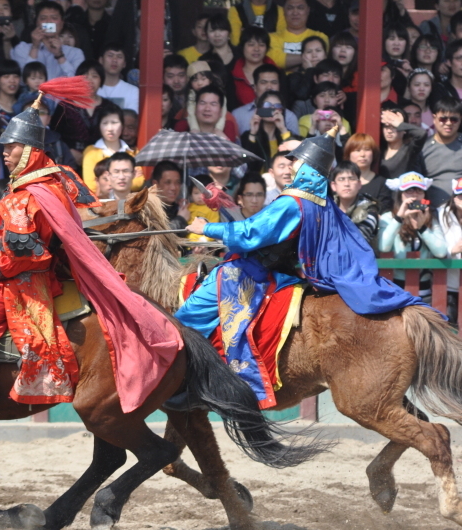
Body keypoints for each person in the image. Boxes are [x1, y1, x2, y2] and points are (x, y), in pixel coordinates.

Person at [0, 78, 182, 430]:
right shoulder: (57, 177)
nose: (4, 154)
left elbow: (23, 255)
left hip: (24, 281)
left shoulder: (29, 195)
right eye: (4, 147)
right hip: (37, 270)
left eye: (11, 147)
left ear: (30, 150)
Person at [174, 129, 433, 409]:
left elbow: (250, 233)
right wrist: (223, 203)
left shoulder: (292, 201)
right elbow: (258, 227)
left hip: (248, 273)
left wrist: (206, 227)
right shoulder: (319, 201)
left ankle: (186, 387)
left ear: (306, 165)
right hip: (277, 273)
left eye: (294, 161)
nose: (290, 165)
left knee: (183, 320)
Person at [379, 172, 447, 303]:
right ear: (400, 195)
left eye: (419, 191)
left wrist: (422, 228)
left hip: (424, 288)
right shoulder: (389, 218)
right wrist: (399, 218)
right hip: (396, 286)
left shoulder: (430, 220)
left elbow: (441, 251)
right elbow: (384, 247)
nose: (415, 195)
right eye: (409, 191)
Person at [10, 1, 85, 80]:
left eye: (54, 18)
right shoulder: (22, 49)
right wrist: (35, 48)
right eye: (43, 18)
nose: (49, 21)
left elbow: (77, 83)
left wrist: (59, 55)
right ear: (36, 23)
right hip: (36, 93)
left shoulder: (75, 53)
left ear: (62, 24)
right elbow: (22, 81)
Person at [81, 102, 130, 194]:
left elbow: (138, 183)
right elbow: (90, 185)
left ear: (122, 125)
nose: (110, 128)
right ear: (99, 126)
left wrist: (105, 181)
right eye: (105, 123)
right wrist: (125, 181)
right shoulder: (91, 152)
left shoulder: (131, 153)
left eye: (114, 122)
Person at [330, 160, 380, 250]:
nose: (346, 184)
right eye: (341, 179)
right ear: (333, 186)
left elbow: (357, 240)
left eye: (352, 179)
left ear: (359, 184)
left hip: (361, 260)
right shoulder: (326, 207)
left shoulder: (369, 209)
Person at [265, 0, 327, 72]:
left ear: (308, 10)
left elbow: (320, 63)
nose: (295, 12)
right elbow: (276, 61)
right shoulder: (271, 38)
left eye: (300, 8)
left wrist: (287, 67)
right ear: (284, 11)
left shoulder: (320, 37)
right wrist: (310, 59)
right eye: (290, 8)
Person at [433, 176, 462, 322]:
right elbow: (435, 248)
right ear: (454, 197)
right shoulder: (440, 214)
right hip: (447, 284)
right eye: (461, 196)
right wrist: (454, 249)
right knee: (450, 331)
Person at [343, 133, 392, 213]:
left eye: (367, 149)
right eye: (357, 150)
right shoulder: (339, 181)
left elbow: (384, 212)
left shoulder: (381, 183)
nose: (362, 154)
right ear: (349, 154)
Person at [97, 43, 138, 112]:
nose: (114, 60)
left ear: (124, 64)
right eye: (110, 56)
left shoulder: (133, 91)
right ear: (101, 60)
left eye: (119, 57)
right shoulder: (92, 89)